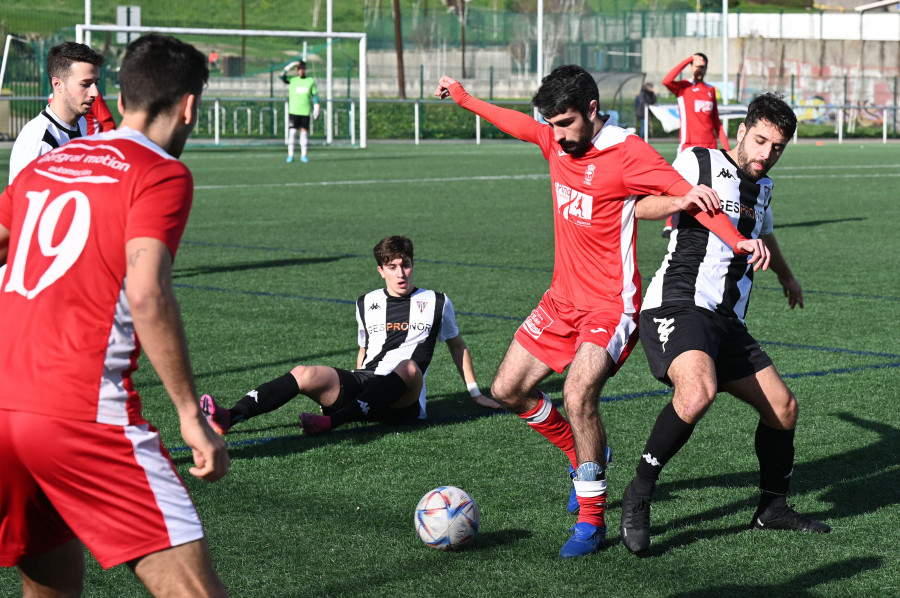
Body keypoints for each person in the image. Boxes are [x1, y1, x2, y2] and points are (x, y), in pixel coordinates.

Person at [434, 66, 768, 558]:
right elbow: (514, 122)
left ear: (593, 110)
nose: (557, 133)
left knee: (577, 392)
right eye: (551, 123)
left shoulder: (628, 152)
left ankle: (591, 521)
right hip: (560, 300)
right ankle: (581, 453)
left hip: (612, 306)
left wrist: (738, 240)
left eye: (566, 122)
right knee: (506, 390)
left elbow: (695, 199)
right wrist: (463, 99)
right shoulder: (554, 137)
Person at [0, 34, 230, 596]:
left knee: (51, 585)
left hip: (4, 407)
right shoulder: (159, 172)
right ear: (190, 107)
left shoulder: (43, 168)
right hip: (78, 414)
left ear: (121, 97)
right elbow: (147, 293)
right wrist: (188, 413)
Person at [620, 92, 830, 556]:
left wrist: (788, 276)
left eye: (776, 147)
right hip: (678, 303)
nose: (765, 154)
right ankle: (639, 492)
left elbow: (763, 232)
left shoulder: (764, 187)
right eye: (760, 141)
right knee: (696, 392)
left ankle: (771, 508)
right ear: (741, 131)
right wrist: (681, 197)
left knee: (784, 409)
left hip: (727, 321)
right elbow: (639, 205)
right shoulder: (699, 160)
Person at [202, 235, 500, 436]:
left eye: (406, 265)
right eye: (392, 267)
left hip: (403, 400)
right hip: (364, 384)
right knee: (303, 373)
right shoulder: (366, 303)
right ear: (380, 270)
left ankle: (332, 422)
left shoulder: (437, 301)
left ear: (413, 264)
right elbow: (364, 351)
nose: (401, 274)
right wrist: (341, 387)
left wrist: (475, 393)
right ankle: (232, 415)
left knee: (409, 367)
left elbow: (457, 346)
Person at [7, 42, 104, 184]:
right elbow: (21, 203)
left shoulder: (80, 122)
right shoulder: (39, 141)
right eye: (85, 84)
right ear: (57, 84)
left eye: (96, 83)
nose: (95, 93)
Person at [661, 53, 730, 238]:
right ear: (691, 67)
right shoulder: (682, 87)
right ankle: (670, 223)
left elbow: (716, 122)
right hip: (688, 146)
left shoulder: (710, 90)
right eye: (696, 65)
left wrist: (726, 147)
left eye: (703, 66)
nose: (700, 69)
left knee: (714, 188)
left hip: (710, 147)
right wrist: (687, 59)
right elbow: (666, 80)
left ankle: (715, 222)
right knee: (677, 186)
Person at [280, 59, 320, 163]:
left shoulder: (310, 81)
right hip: (294, 111)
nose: (301, 71)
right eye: (299, 69)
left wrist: (316, 107)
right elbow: (282, 77)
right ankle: (290, 155)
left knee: (304, 133)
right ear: (297, 70)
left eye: (303, 68)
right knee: (292, 133)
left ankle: (304, 155)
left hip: (305, 111)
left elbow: (314, 94)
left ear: (305, 69)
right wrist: (290, 65)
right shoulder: (293, 80)